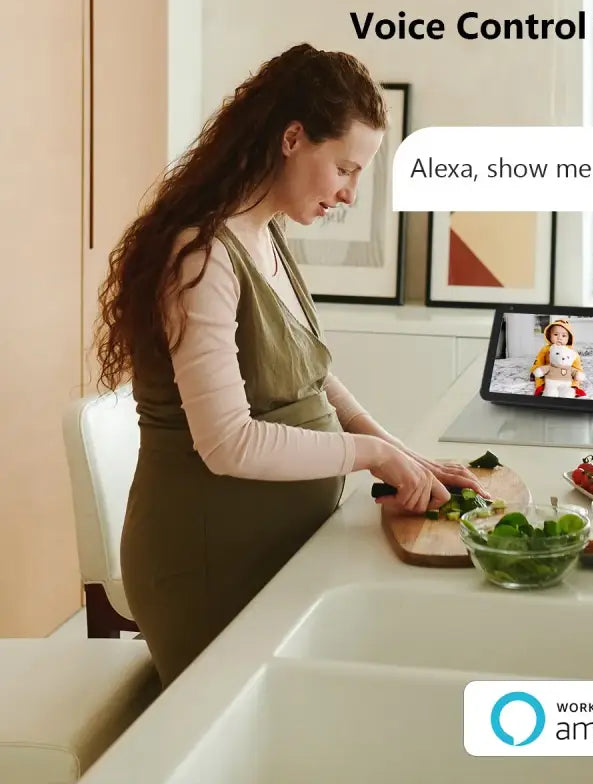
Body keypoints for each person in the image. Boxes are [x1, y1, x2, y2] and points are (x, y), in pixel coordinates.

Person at [93, 42, 488, 688]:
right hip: (209, 572)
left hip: (281, 551)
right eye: (344, 167)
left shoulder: (265, 232)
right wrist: (368, 456)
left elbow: (311, 374)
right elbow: (228, 444)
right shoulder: (200, 257)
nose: (350, 191)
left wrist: (400, 452)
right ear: (292, 138)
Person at [529, 318, 586, 397]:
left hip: (566, 374)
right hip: (548, 372)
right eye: (555, 334)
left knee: (575, 378)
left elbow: (577, 366)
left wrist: (578, 374)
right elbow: (539, 361)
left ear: (569, 338)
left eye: (564, 335)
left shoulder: (571, 352)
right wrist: (535, 370)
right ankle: (541, 387)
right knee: (539, 377)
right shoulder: (545, 349)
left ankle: (574, 387)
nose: (559, 338)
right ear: (549, 335)